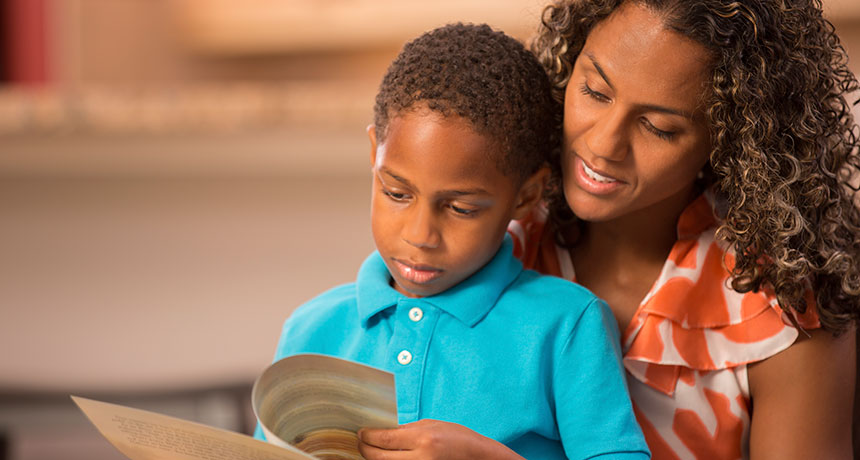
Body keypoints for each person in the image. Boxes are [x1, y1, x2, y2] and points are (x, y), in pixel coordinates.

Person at [257, 23, 650, 460]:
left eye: (461, 208)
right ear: (374, 155)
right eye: (396, 193)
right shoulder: (311, 329)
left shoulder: (566, 325)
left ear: (526, 196)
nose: (419, 236)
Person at [503, 0, 859, 458]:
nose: (603, 145)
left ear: (732, 140)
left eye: (658, 127)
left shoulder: (782, 308)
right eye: (595, 91)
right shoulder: (497, 235)